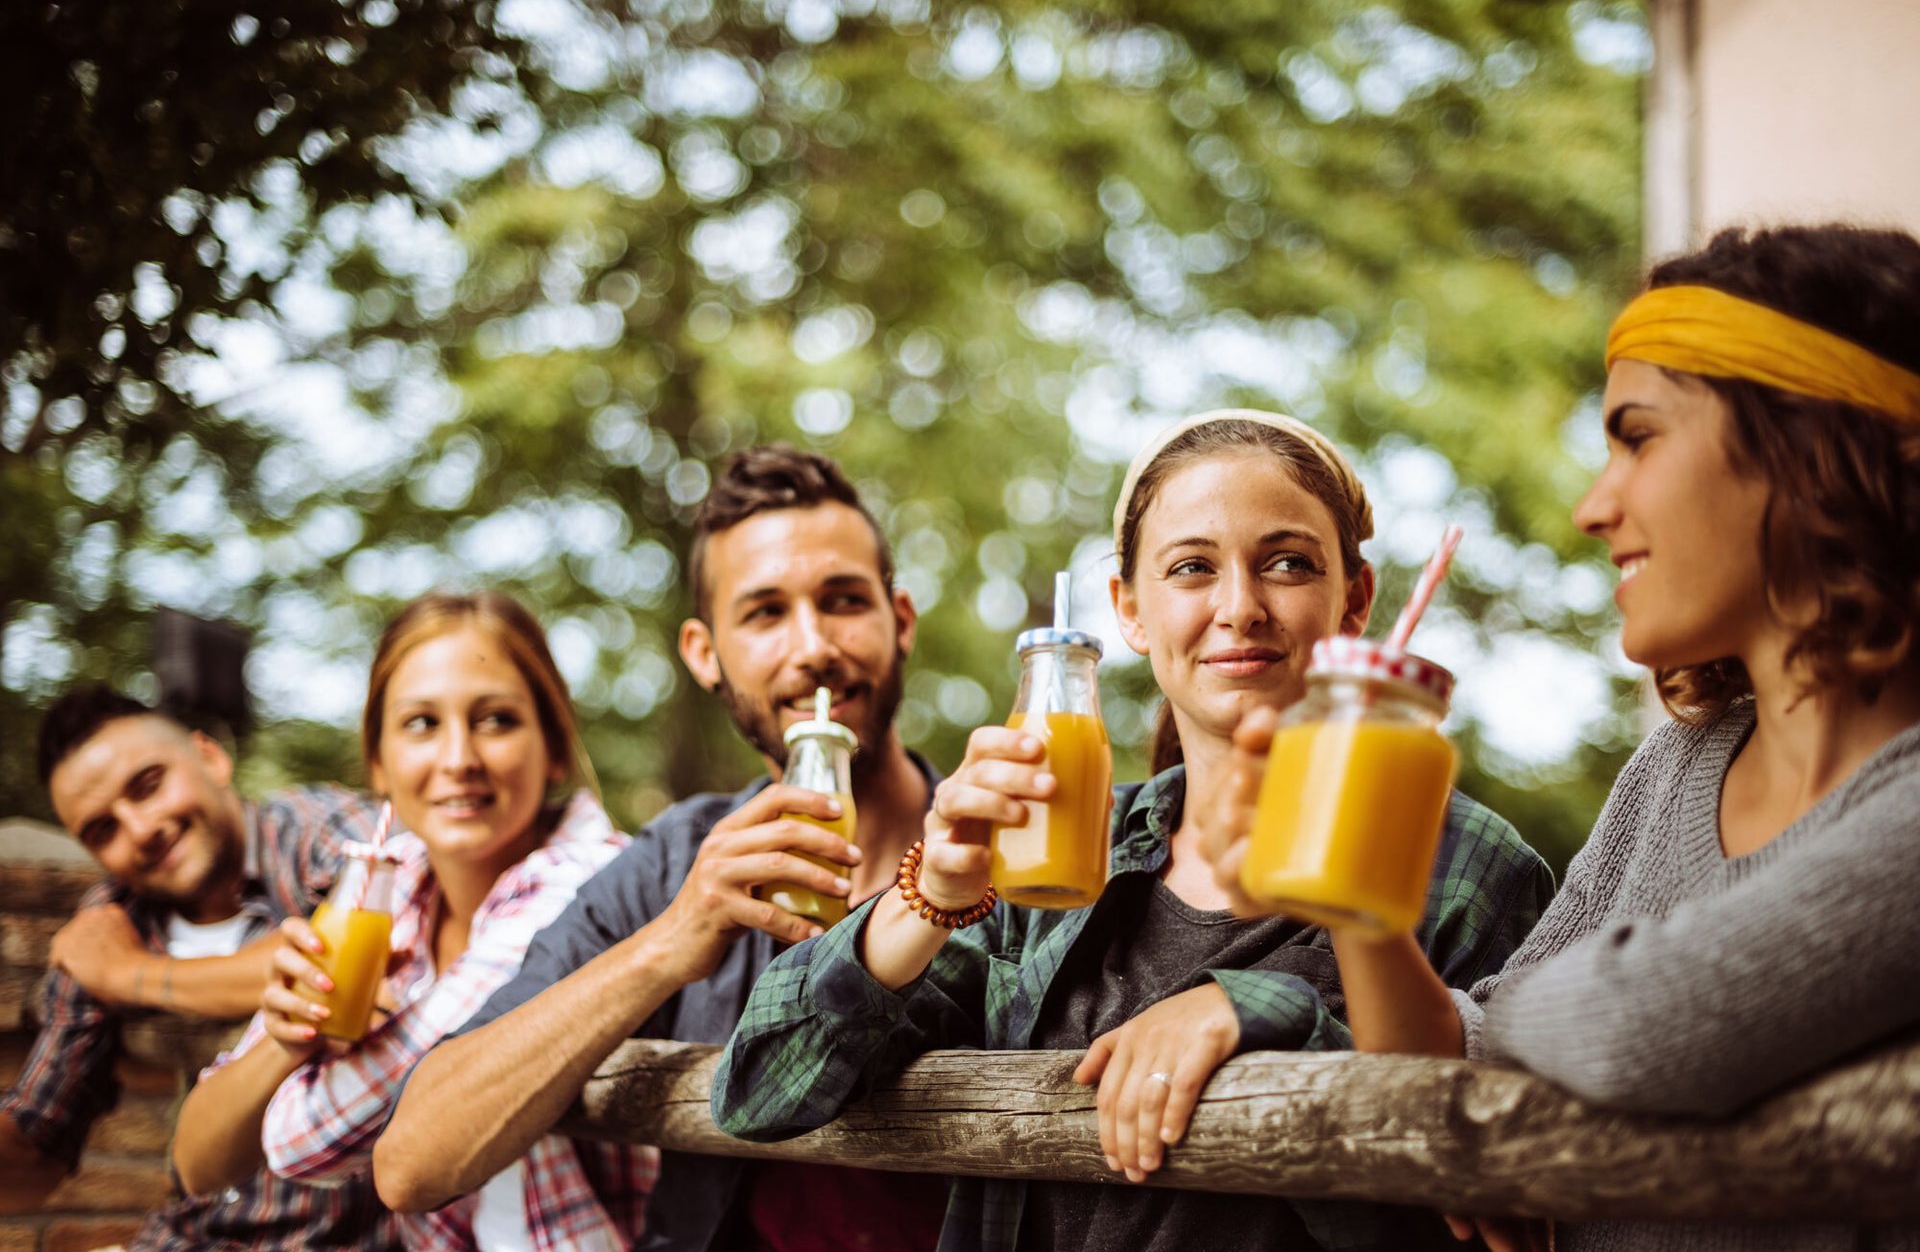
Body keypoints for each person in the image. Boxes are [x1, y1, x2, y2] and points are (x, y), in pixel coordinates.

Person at [1201, 225, 1920, 1252]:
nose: (1593, 506)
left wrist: (1524, 1029)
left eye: (1639, 438)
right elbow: (1455, 1064)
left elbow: (1644, 1027)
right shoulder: (1672, 770)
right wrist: (1361, 912)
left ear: (1810, 450)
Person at [713, 410, 1554, 1252]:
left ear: (1355, 599)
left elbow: (1481, 1211)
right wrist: (927, 895)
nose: (1240, 607)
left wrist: (1266, 1011)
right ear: (1130, 611)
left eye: (1288, 563)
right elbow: (756, 1091)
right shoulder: (1057, 853)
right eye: (1192, 567)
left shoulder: (1468, 868)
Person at [375, 446, 950, 1252]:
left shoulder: (1004, 849)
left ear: (902, 620)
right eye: (764, 613)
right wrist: (671, 941)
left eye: (844, 600)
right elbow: (411, 1162)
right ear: (704, 653)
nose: (813, 645)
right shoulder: (676, 864)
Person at [169, 590, 648, 1248]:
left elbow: (303, 1144)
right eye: (422, 723)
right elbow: (198, 1164)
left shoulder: (591, 878)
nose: (459, 759)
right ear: (379, 762)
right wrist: (288, 1040)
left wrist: (308, 1070)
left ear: (555, 748)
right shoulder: (387, 893)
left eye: (497, 720)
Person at [3, 685, 384, 1245]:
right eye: (103, 830)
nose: (141, 829)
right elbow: (35, 1151)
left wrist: (131, 977)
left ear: (211, 757)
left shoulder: (319, 829)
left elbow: (369, 954)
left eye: (148, 786)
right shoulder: (109, 925)